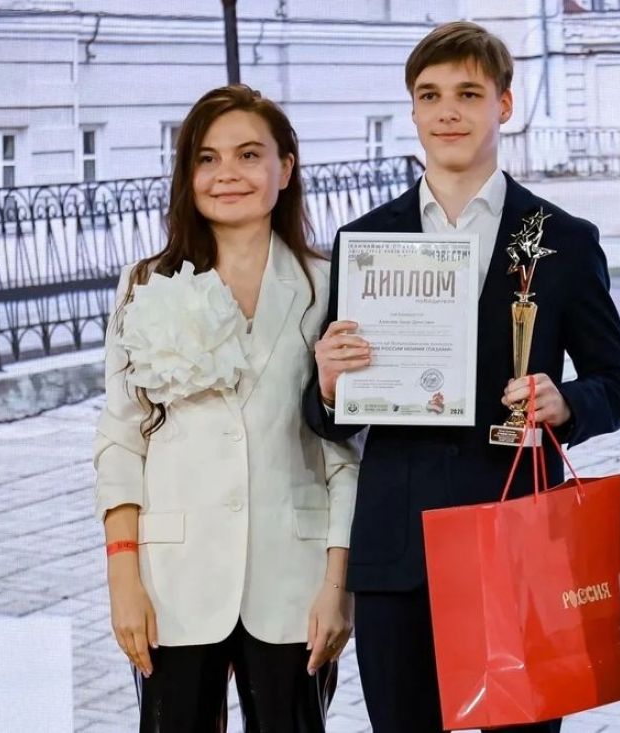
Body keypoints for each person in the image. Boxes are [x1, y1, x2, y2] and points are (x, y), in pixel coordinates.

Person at [301, 21, 620, 733]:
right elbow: (327, 415)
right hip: (399, 545)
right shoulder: (367, 240)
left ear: (504, 106)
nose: (447, 111)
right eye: (430, 95)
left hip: (516, 538)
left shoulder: (562, 239)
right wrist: (329, 386)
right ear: (412, 110)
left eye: (468, 93)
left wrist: (565, 402)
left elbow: (618, 382)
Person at [94, 85, 358, 733]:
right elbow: (121, 438)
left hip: (294, 582)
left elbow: (348, 451)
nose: (227, 174)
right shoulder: (145, 284)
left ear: (285, 168)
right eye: (206, 159)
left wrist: (339, 585)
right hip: (173, 582)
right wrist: (124, 579)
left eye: (248, 155)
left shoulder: (329, 285)